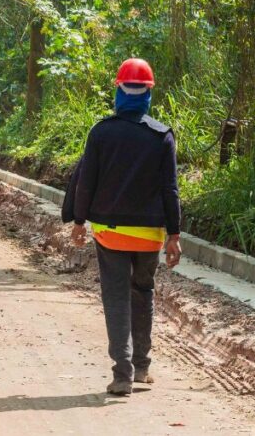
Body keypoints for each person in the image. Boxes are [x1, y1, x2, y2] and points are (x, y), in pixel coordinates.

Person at [70, 58, 182, 397]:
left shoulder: (101, 132)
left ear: (118, 89)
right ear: (149, 93)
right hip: (149, 236)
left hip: (110, 232)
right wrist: (174, 236)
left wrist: (78, 221)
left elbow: (86, 183)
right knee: (143, 291)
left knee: (115, 296)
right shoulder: (162, 136)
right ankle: (143, 368)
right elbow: (170, 190)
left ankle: (122, 374)